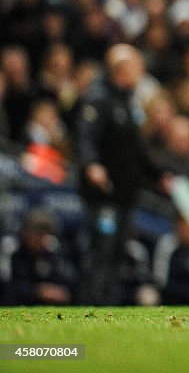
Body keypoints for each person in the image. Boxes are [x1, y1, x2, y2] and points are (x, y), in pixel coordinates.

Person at [75, 44, 150, 305]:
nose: (141, 71)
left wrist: (160, 174)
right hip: (104, 193)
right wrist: (91, 164)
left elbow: (136, 148)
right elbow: (86, 137)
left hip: (125, 194)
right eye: (137, 65)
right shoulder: (99, 97)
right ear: (121, 68)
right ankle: (91, 303)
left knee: (118, 251)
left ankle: (110, 304)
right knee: (101, 250)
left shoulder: (128, 100)